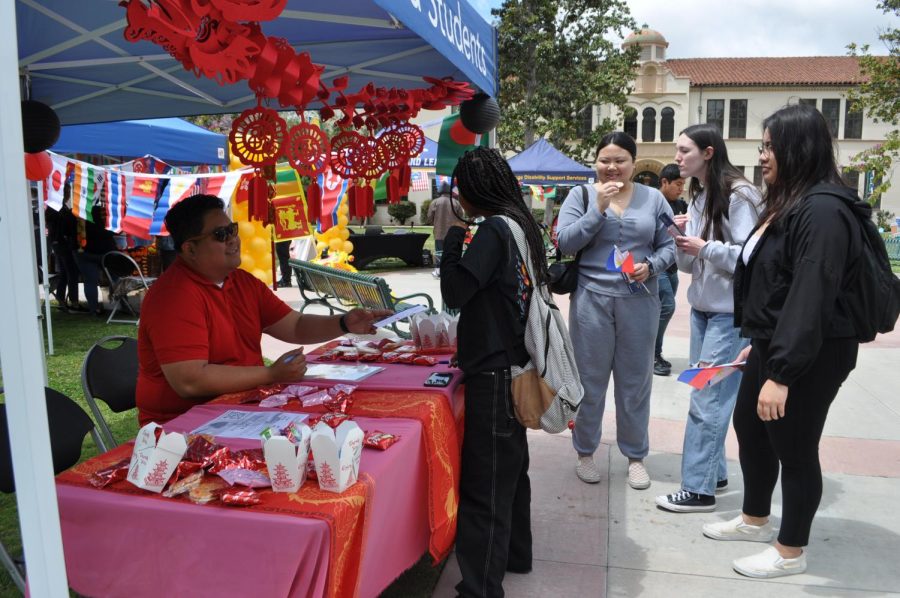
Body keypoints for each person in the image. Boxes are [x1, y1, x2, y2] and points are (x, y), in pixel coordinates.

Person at [702, 104, 865, 578]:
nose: (763, 154)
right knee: (751, 429)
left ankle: (791, 549)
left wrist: (784, 372)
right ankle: (755, 518)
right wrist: (761, 342)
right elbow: (777, 283)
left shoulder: (824, 210)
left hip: (811, 350)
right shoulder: (789, 202)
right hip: (775, 342)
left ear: (797, 148)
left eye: (770, 146)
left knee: (794, 445)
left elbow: (811, 294)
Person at [136, 194, 390, 426]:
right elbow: (190, 381)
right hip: (182, 425)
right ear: (190, 249)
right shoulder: (174, 296)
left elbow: (294, 326)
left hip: (242, 408)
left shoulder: (241, 282)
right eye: (221, 235)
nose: (234, 239)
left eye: (232, 230)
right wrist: (271, 373)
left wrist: (344, 323)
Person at [440, 147, 544, 597]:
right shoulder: (522, 226)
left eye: (461, 188)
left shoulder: (492, 231)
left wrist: (449, 242)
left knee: (486, 485)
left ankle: (480, 587)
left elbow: (455, 291)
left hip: (495, 374)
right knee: (510, 473)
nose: (459, 198)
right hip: (514, 367)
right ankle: (516, 553)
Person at [556, 132, 675, 489]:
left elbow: (672, 246)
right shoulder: (580, 195)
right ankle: (585, 451)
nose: (612, 168)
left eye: (620, 160)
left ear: (633, 165)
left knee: (635, 383)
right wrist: (599, 210)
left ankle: (636, 455)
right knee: (590, 381)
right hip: (592, 300)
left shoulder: (654, 199)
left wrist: (651, 266)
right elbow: (564, 241)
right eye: (605, 160)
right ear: (595, 163)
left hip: (640, 300)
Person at [655, 125, 762, 513]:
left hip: (729, 316)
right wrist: (680, 240)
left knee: (708, 398)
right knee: (704, 393)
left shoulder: (740, 195)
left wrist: (705, 246)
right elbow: (690, 263)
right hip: (704, 311)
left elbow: (752, 259)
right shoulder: (699, 198)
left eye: (685, 150)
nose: (678, 157)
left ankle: (698, 489)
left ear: (709, 152)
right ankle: (712, 474)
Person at [654, 163, 688, 376]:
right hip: (657, 267)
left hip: (673, 267)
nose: (680, 189)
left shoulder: (681, 205)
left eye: (683, 184)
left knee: (660, 311)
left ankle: (653, 351)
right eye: (677, 184)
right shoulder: (654, 203)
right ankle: (652, 354)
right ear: (664, 182)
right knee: (667, 306)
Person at [72, 204, 117, 317]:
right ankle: (119, 303)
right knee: (114, 278)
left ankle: (94, 309)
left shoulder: (79, 222)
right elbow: (112, 234)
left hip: (85, 253)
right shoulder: (104, 224)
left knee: (90, 281)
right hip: (104, 254)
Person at [427, 181, 466, 277]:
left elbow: (429, 217)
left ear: (440, 191)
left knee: (439, 251)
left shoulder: (435, 202)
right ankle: (451, 270)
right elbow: (461, 216)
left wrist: (435, 223)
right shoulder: (456, 202)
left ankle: (438, 271)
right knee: (451, 251)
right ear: (449, 191)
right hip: (453, 232)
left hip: (439, 232)